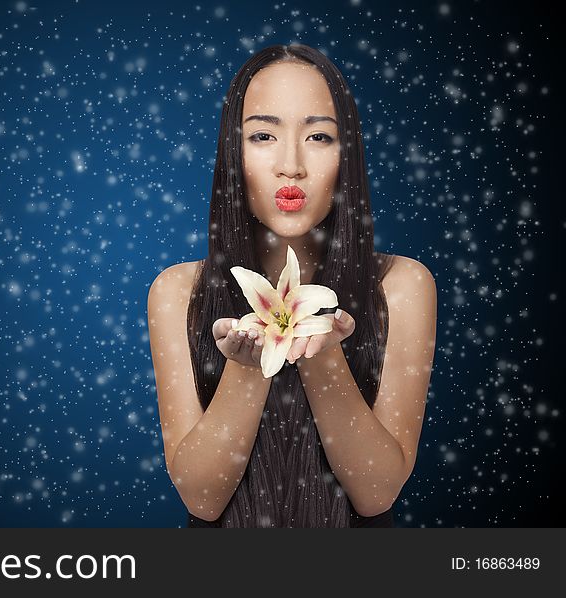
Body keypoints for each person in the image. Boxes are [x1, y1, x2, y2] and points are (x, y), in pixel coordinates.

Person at [147, 44, 437, 527]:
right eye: (262, 135)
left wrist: (323, 356)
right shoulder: (176, 292)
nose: (291, 165)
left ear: (348, 154)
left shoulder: (402, 286)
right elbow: (201, 498)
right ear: (232, 154)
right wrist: (248, 366)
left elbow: (377, 493)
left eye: (319, 137)